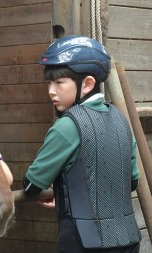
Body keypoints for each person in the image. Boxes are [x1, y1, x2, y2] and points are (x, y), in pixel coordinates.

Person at [23, 35, 141, 253]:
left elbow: (31, 186)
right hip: (130, 240)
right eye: (49, 83)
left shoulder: (67, 126)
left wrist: (63, 193)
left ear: (87, 84)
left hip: (84, 242)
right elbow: (132, 182)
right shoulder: (120, 120)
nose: (51, 91)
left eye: (59, 82)